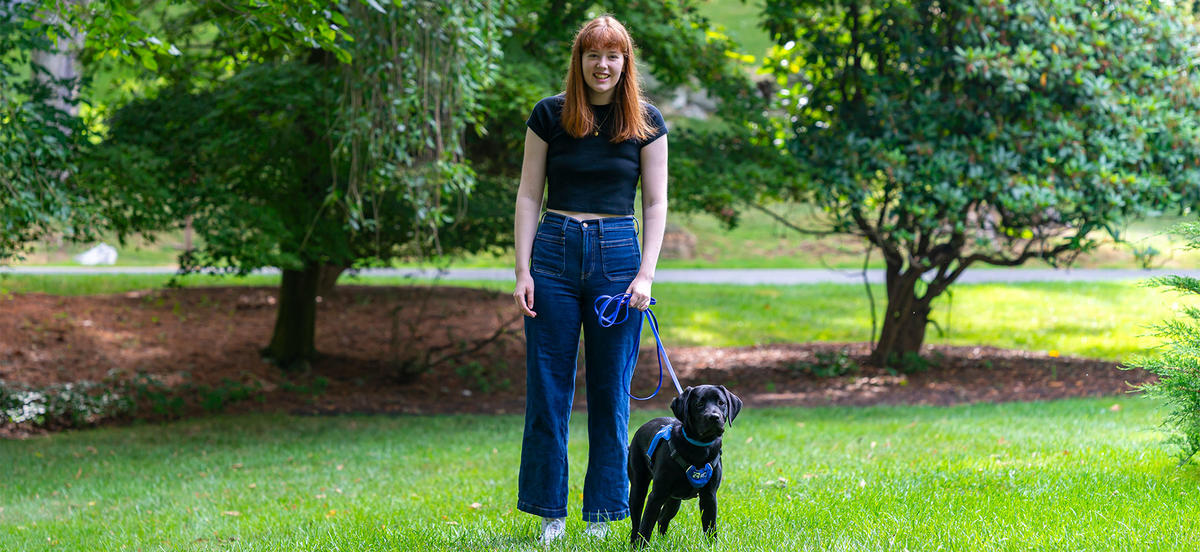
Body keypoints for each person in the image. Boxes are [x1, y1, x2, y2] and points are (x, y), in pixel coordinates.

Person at [511, 15, 668, 544]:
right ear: (579, 60)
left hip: (619, 260)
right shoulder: (549, 115)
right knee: (548, 392)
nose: (603, 65)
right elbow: (530, 194)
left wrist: (646, 273)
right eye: (593, 55)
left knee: (610, 393)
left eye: (614, 55)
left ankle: (603, 515)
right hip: (552, 254)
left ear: (626, 63)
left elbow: (656, 202)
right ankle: (549, 513)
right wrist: (522, 270)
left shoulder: (646, 121)